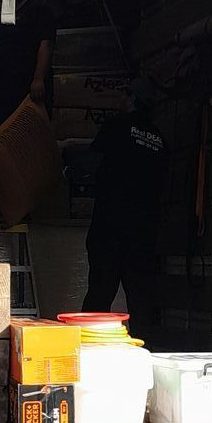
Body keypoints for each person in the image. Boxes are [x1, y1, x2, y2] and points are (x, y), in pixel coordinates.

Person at [82, 79, 169, 340]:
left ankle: (88, 348)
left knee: (100, 295)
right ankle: (145, 351)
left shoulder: (116, 126)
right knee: (140, 299)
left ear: (132, 98)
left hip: (110, 226)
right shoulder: (160, 141)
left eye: (124, 93)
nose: (120, 97)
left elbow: (91, 164)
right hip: (143, 232)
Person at [0, 0, 57, 125]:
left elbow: (46, 45)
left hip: (29, 92)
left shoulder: (39, 11)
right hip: (3, 93)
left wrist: (38, 79)